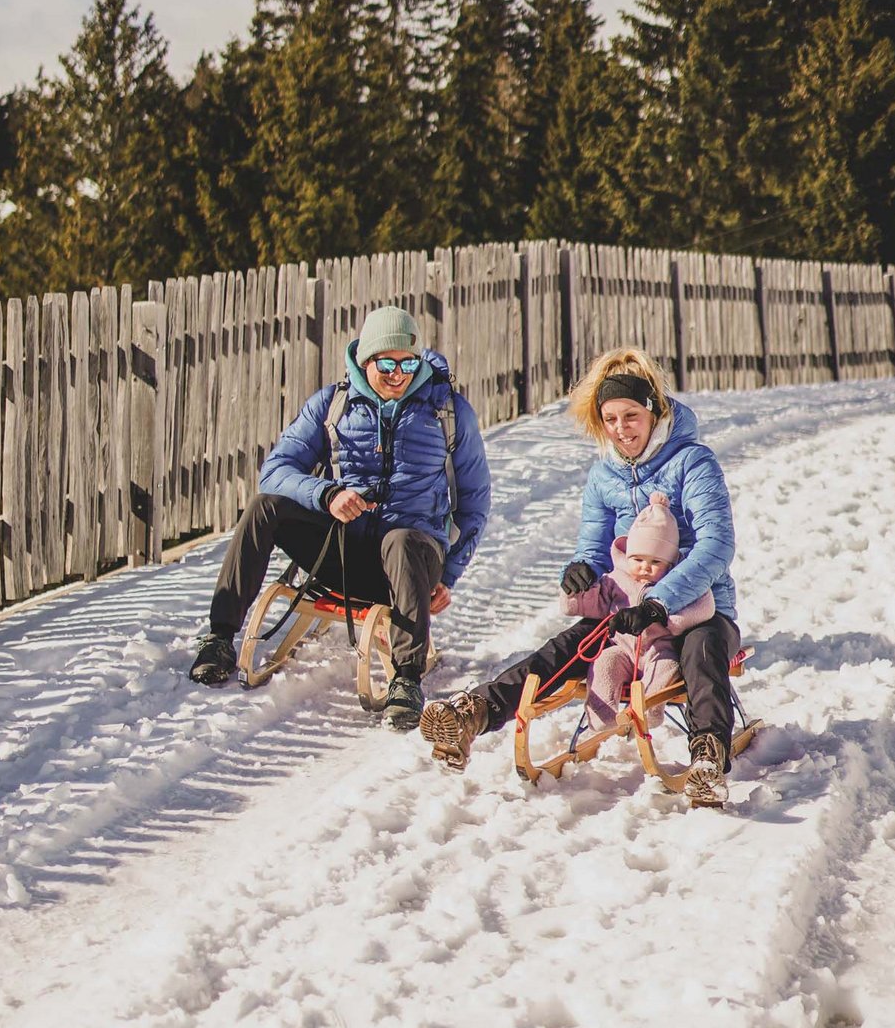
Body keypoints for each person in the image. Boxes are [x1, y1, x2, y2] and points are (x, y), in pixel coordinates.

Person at [420, 347, 742, 807]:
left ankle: (708, 758)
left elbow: (716, 545)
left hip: (697, 609)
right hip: (626, 612)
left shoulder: (693, 463)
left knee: (702, 651)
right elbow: (592, 544)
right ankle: (475, 712)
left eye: (630, 416)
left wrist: (661, 601)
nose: (620, 429)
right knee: (568, 647)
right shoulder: (603, 475)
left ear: (654, 411)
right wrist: (582, 570)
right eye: (610, 419)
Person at [188, 306, 493, 732]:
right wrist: (327, 494)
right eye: (385, 363)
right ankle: (220, 636)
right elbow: (275, 471)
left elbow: (475, 502)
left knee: (402, 539)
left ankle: (405, 678)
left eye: (408, 362)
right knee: (265, 506)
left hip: (410, 561)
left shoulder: (449, 412)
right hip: (343, 554)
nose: (397, 374)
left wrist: (449, 574)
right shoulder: (333, 404)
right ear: (364, 360)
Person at [559, 492, 715, 730]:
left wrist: (667, 617)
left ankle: (650, 709)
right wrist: (575, 592)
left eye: (655, 562)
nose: (645, 568)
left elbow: (704, 606)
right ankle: (602, 715)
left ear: (671, 564)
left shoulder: (677, 582)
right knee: (603, 664)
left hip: (659, 649)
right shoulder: (616, 580)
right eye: (638, 559)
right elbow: (594, 603)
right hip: (621, 649)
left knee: (664, 668)